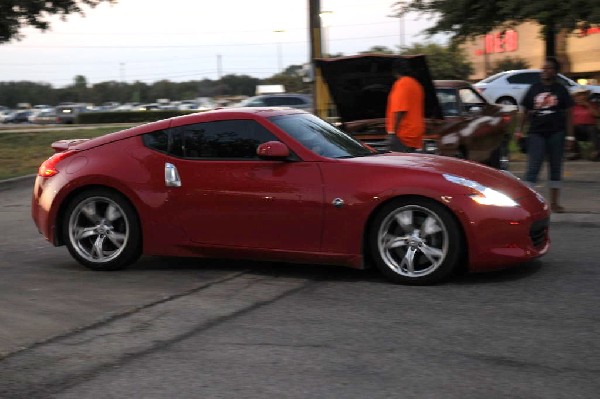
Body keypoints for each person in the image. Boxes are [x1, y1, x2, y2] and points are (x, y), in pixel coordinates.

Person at [514, 57, 575, 213]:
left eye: (548, 68)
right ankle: (527, 204)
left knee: (555, 167)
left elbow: (568, 114)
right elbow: (524, 111)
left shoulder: (561, 89)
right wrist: (519, 130)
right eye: (543, 68)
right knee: (533, 168)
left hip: (557, 133)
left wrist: (570, 136)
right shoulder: (534, 88)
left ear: (555, 71)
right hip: (536, 133)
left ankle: (554, 203)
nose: (544, 71)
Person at [385, 57, 425, 152]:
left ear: (394, 70)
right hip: (414, 134)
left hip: (403, 135)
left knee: (397, 164)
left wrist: (393, 133)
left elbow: (400, 110)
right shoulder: (416, 84)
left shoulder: (401, 84)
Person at [568, 88, 600, 161]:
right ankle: (575, 152)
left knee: (592, 129)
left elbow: (597, 115)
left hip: (590, 129)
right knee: (572, 129)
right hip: (577, 130)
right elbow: (569, 120)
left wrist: (588, 105)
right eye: (578, 95)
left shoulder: (592, 104)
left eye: (582, 95)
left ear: (586, 96)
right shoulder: (573, 107)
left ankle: (597, 151)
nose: (581, 97)